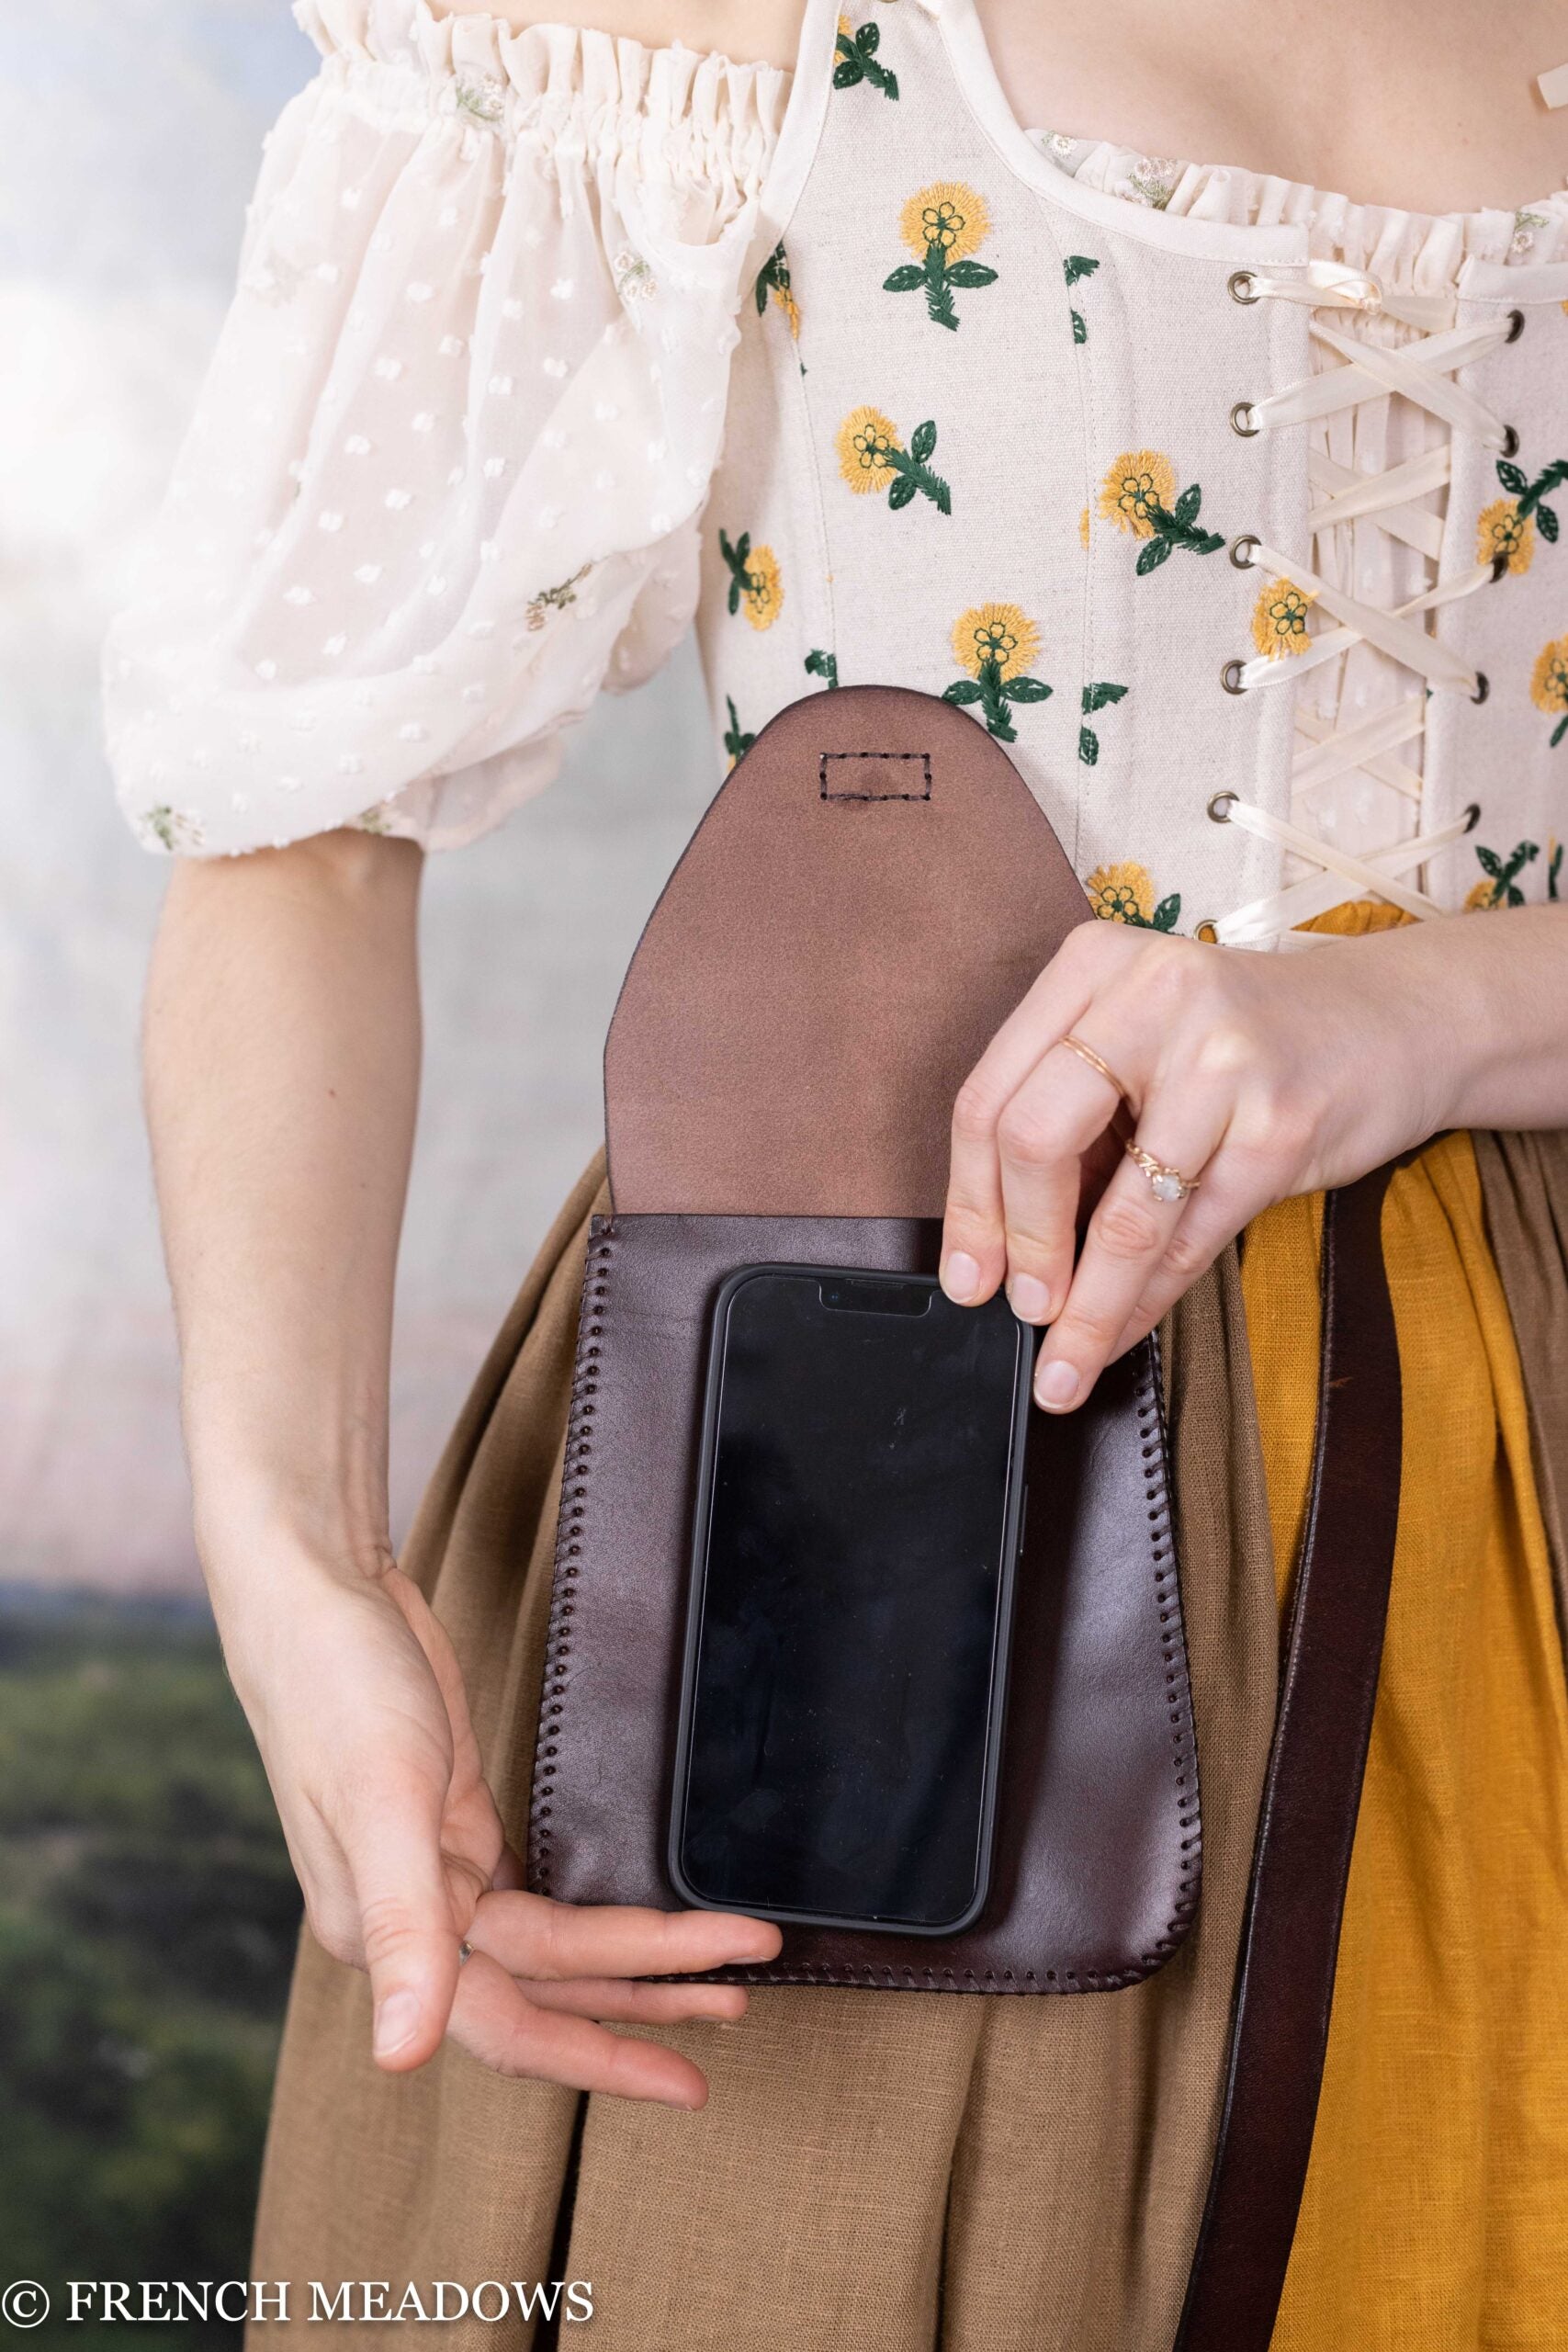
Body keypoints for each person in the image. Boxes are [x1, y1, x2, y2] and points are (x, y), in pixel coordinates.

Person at [104, 0, 1568, 2341]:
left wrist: (1423, 1008)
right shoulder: (689, 26)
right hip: (860, 1433)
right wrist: (294, 1560)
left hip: (1531, 1453)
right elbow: (297, 832)